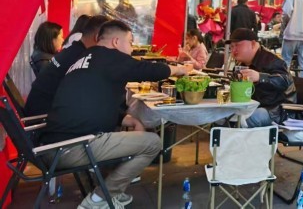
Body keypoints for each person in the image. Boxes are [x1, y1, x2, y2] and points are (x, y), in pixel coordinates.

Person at [40, 20, 191, 208]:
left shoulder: (86, 57)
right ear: (116, 42)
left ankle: (111, 191)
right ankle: (100, 198)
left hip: (52, 146)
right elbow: (148, 70)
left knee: (132, 135)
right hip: (73, 148)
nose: (132, 49)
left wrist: (131, 119)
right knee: (153, 143)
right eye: (130, 42)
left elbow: (93, 102)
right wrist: (180, 69)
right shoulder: (111, 57)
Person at [25, 15, 110, 117]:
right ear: (97, 37)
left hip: (36, 109)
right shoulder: (81, 58)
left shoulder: (72, 51)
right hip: (43, 117)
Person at [227, 28, 296, 127]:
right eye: (231, 46)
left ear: (253, 44)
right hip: (254, 106)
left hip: (278, 110)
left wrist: (260, 77)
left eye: (237, 45)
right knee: (222, 116)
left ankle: (234, 136)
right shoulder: (242, 64)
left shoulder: (272, 60)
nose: (233, 50)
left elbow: (284, 81)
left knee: (248, 119)